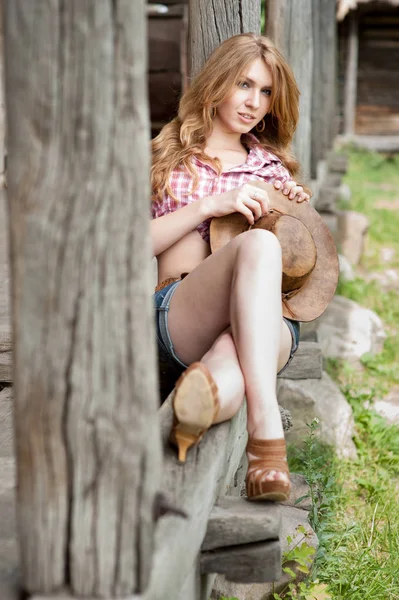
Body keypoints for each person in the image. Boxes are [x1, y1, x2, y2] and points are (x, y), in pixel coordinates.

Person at [150, 33, 311, 502]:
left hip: (268, 321)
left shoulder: (272, 169)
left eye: (265, 92)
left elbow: (302, 259)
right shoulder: (170, 158)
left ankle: (199, 402)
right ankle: (268, 439)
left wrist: (294, 214)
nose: (254, 102)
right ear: (217, 82)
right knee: (258, 247)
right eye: (244, 84)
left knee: (233, 346)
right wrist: (210, 205)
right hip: (182, 312)